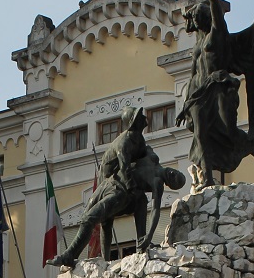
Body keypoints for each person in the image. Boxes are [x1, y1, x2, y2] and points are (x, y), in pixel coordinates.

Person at [166, 0, 254, 186]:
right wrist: (185, 105)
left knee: (229, 133)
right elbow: (194, 76)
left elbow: (215, 7)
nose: (192, 20)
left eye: (195, 15)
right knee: (202, 136)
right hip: (200, 94)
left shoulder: (218, 35)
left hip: (221, 88)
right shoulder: (198, 44)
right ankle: (207, 180)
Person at [51, 107, 184, 267]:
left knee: (92, 218)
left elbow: (155, 210)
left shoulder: (156, 180)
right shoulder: (131, 146)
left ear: (170, 183)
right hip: (112, 183)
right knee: (98, 220)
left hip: (122, 190)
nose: (144, 118)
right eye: (177, 173)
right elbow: (125, 166)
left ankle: (70, 255)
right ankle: (103, 259)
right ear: (134, 122)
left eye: (175, 180)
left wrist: (149, 236)